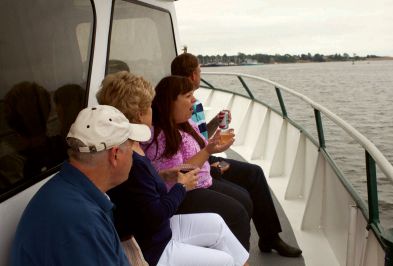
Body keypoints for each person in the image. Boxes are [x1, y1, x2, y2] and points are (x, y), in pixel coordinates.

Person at [97, 71, 250, 266]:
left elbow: (138, 192)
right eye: (149, 106)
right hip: (154, 246)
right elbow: (153, 215)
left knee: (218, 224)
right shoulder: (128, 156)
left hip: (159, 229)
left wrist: (162, 176)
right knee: (226, 260)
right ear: (139, 113)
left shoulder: (133, 145)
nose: (154, 109)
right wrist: (181, 187)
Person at [168, 52, 303, 257]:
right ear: (194, 75)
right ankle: (234, 251)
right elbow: (190, 151)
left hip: (204, 155)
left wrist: (215, 121)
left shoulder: (186, 103)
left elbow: (199, 138)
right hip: (199, 162)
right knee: (246, 188)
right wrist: (212, 165)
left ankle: (269, 237)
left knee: (254, 173)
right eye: (200, 70)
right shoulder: (184, 106)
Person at [11, 105, 150, 266]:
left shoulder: (70, 192)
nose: (134, 155)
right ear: (116, 154)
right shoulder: (81, 222)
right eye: (132, 147)